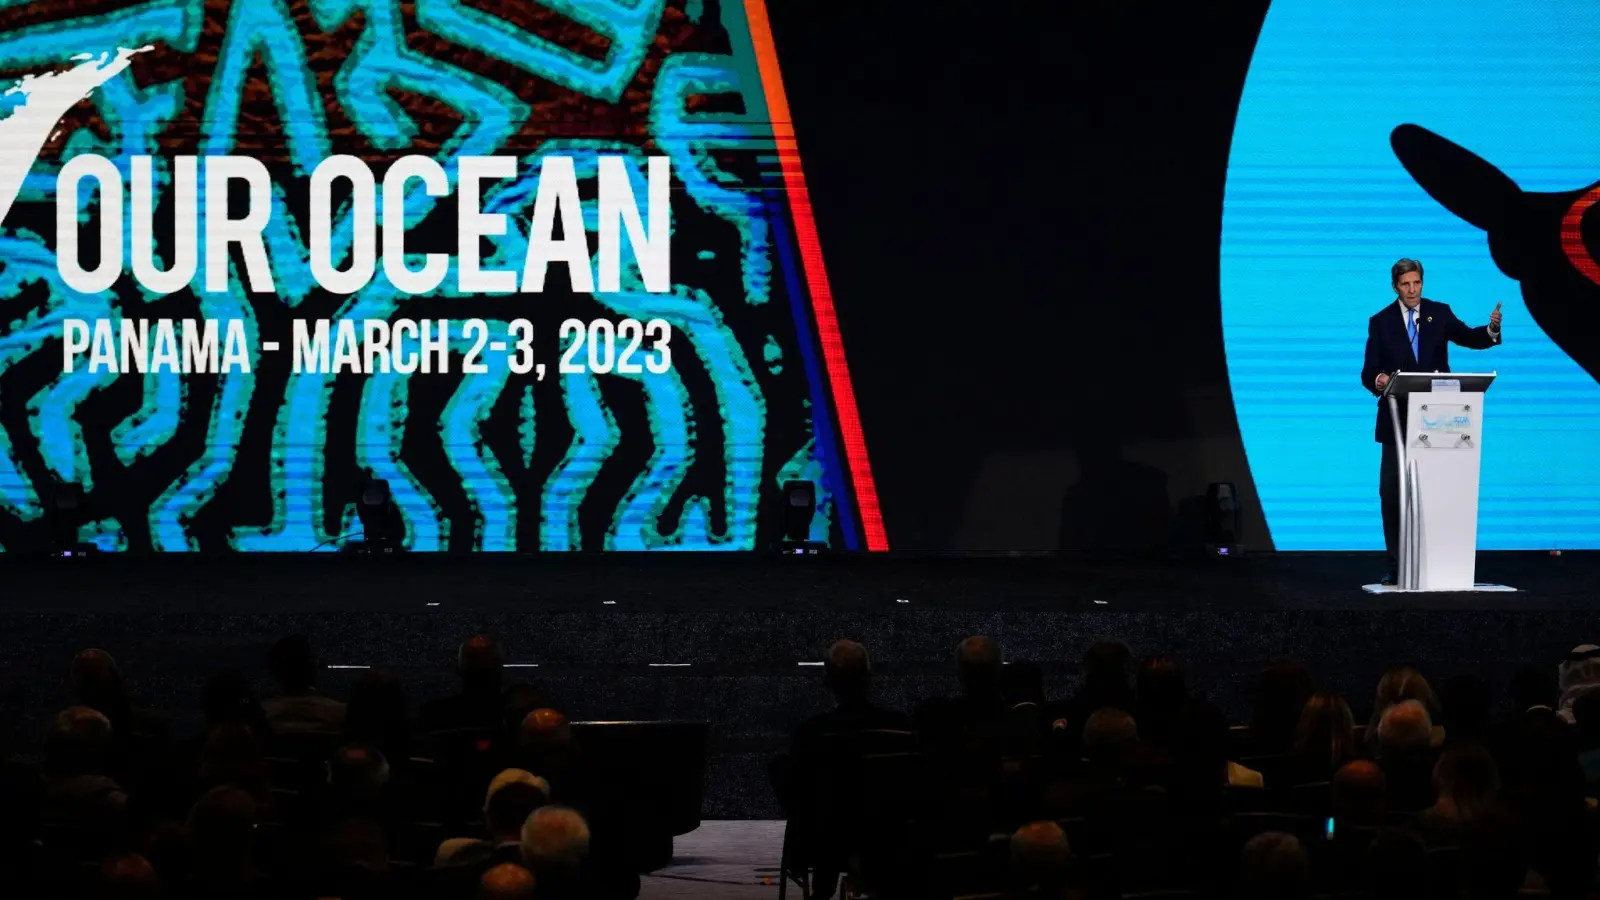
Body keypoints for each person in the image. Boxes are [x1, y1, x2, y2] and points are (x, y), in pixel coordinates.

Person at [1360, 258, 1502, 583]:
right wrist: (1380, 379)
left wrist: (1492, 329)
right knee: (1392, 493)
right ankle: (1398, 566)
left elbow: (1470, 337)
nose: (1412, 290)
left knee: (1439, 493)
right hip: (1396, 421)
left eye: (1417, 283)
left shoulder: (1440, 313)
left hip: (1439, 420)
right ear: (1395, 286)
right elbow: (1368, 371)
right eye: (1406, 285)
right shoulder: (1380, 322)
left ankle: (1440, 561)